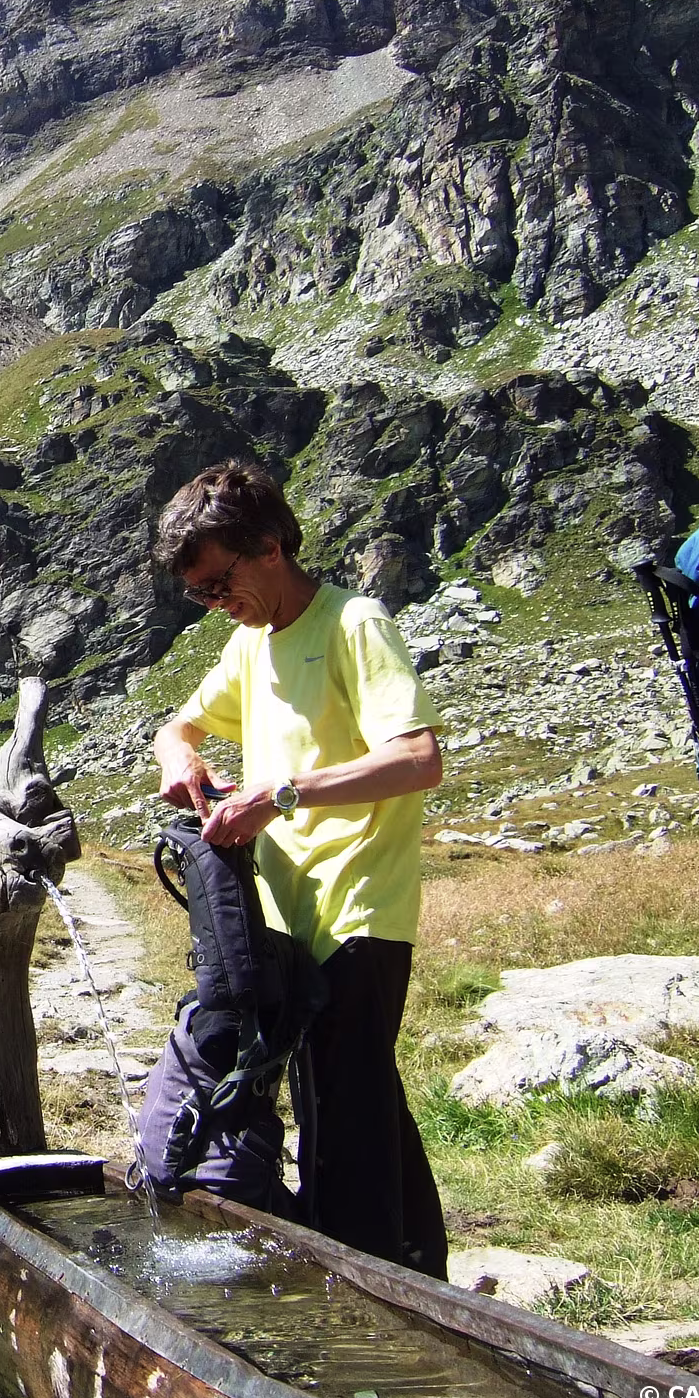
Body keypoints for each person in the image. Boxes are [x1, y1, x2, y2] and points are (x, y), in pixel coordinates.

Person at [149, 459, 448, 1278]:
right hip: (287, 920)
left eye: (221, 583)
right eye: (200, 595)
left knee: (342, 1126)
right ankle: (422, 1277)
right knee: (362, 1105)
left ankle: (366, 1307)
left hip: (360, 909)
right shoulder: (251, 644)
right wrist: (182, 758)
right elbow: (178, 726)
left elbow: (418, 759)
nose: (217, 604)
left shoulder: (354, 624)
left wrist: (279, 796)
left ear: (271, 547)